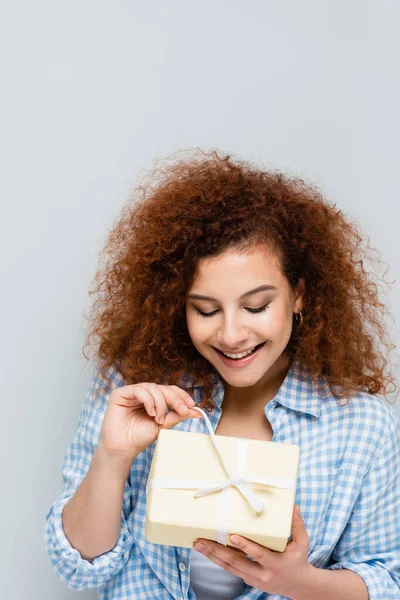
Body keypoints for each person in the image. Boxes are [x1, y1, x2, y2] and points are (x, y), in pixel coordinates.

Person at [44, 149, 400, 600]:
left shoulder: (361, 427)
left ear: (299, 296)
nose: (232, 334)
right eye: (206, 310)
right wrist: (114, 457)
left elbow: (387, 582)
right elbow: (81, 569)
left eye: (256, 306)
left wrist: (301, 583)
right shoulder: (134, 388)